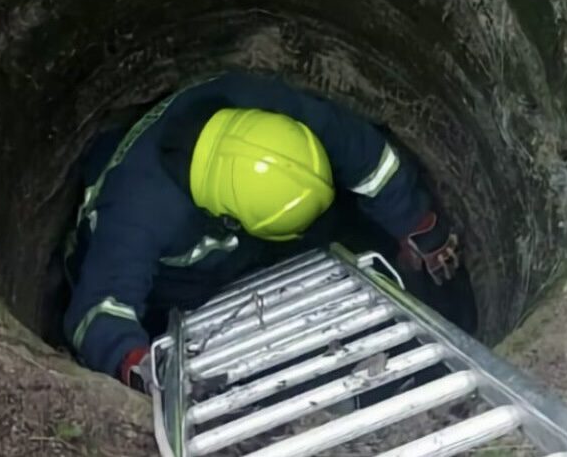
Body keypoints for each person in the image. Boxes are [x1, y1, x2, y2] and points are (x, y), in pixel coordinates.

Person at [63, 72, 477, 392]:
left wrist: (415, 222)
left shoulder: (269, 109)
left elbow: (365, 155)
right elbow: (99, 307)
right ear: (231, 218)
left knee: (333, 231)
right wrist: (137, 363)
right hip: (175, 285)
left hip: (247, 238)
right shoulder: (138, 214)